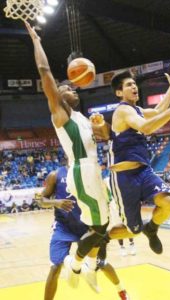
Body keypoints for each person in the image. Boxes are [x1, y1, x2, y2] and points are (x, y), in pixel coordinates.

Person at [25, 21, 113, 289]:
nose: (72, 89)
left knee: (105, 227)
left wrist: (101, 129)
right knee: (101, 227)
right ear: (57, 96)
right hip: (82, 171)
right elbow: (44, 70)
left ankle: (84, 265)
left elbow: (106, 138)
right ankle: (78, 265)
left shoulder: (82, 117)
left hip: (93, 171)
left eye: (73, 88)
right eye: (66, 88)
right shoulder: (60, 113)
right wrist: (36, 39)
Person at [109, 68, 170, 254]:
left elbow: (158, 110)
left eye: (134, 84)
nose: (134, 86)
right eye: (128, 85)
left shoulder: (137, 110)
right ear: (119, 92)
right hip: (125, 177)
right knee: (132, 230)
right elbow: (147, 128)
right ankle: (101, 239)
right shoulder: (123, 110)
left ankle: (152, 228)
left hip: (143, 171)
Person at [38, 166, 130, 300]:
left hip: (87, 227)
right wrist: (55, 202)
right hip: (63, 227)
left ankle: (121, 291)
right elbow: (41, 200)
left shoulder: (90, 173)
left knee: (101, 263)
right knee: (55, 267)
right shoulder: (55, 174)